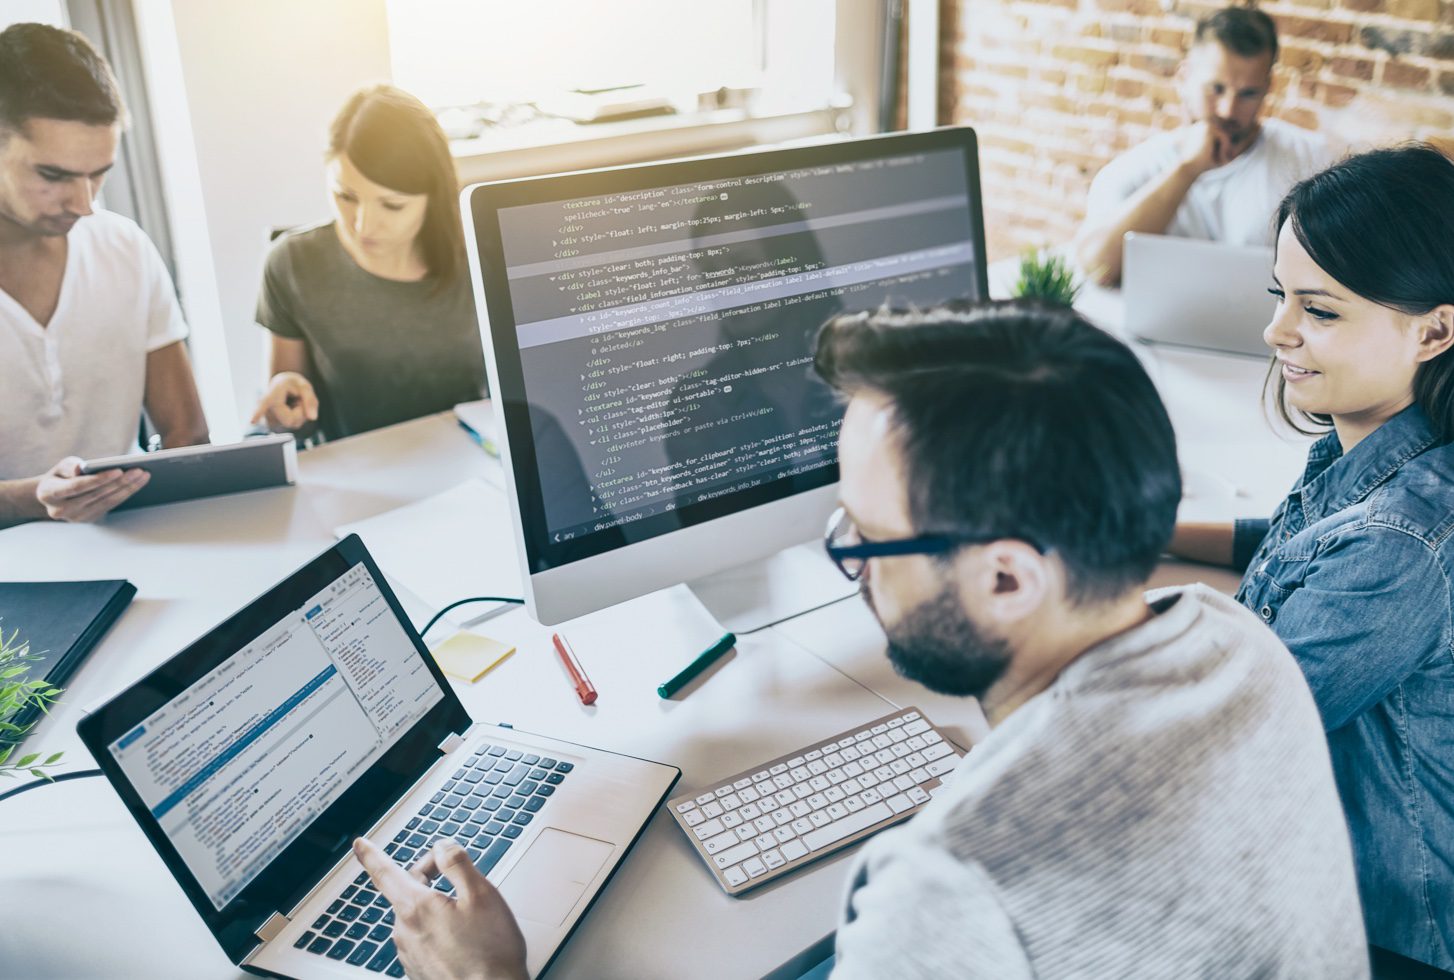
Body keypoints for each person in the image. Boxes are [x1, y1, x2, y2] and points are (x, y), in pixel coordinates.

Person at [352, 301, 1368, 979]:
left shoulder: (942, 889)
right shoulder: (1241, 647)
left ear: (1007, 575)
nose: (844, 558)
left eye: (869, 535)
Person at [1170, 144, 1454, 975]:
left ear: (1435, 329)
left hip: (1389, 938)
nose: (1276, 331)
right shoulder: (1393, 447)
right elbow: (1301, 545)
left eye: (1319, 312)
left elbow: (1215, 738)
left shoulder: (1400, 545)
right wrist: (1145, 527)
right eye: (1280, 296)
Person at [0, 23, 208, 528]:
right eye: (54, 176)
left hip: (133, 547)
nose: (84, 204)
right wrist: (33, 499)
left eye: (99, 173)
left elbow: (188, 437)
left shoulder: (124, 246)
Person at [250, 84, 486, 441]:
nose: (362, 225)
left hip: (474, 460)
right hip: (356, 473)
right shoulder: (293, 263)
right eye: (345, 196)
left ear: (433, 196)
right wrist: (284, 407)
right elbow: (292, 424)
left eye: (392, 205)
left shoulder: (481, 255)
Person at [1075, 4, 1330, 286]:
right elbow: (1097, 269)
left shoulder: (1310, 158)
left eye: (1248, 93)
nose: (1228, 109)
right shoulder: (1132, 170)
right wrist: (1188, 169)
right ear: (1184, 78)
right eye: (1216, 88)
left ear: (1268, 87)